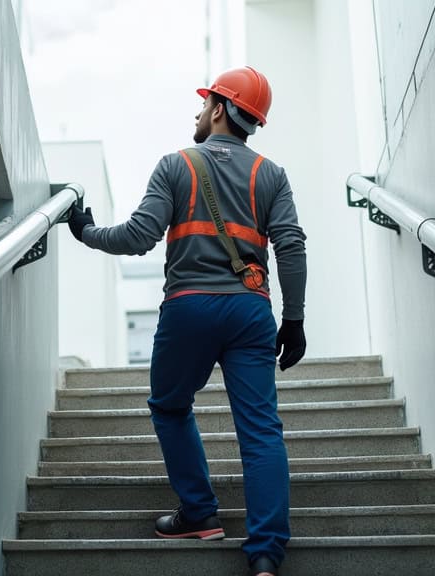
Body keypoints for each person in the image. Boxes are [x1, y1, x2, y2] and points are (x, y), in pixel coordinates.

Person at [66, 66, 306, 576]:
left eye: (203, 104)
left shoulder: (175, 166)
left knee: (170, 406)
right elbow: (290, 246)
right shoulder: (272, 175)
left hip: (188, 307)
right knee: (261, 430)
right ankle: (265, 553)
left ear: (220, 108)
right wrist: (296, 319)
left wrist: (85, 231)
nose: (196, 113)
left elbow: (137, 237)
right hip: (250, 309)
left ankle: (199, 513)